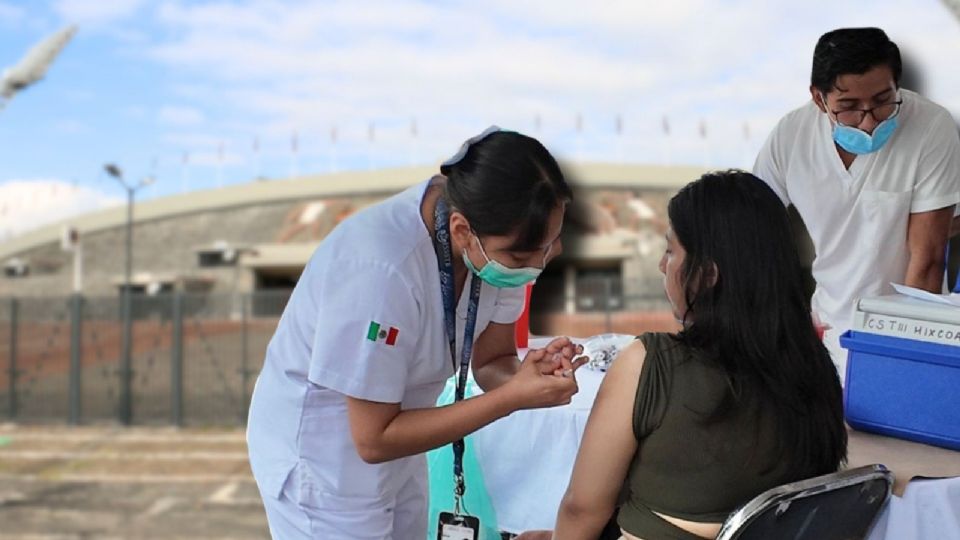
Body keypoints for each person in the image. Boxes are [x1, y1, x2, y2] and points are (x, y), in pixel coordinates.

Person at [246, 126, 589, 539]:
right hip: (326, 460)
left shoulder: (494, 245)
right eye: (522, 255)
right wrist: (512, 398)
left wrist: (529, 377)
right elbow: (372, 440)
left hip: (404, 436)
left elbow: (491, 362)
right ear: (462, 231)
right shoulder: (380, 269)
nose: (541, 262)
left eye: (553, 243)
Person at [517, 171, 848, 540]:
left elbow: (582, 509)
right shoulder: (817, 369)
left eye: (671, 250)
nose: (662, 265)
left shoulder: (653, 363)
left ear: (706, 275)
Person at [753, 27, 960, 380]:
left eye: (883, 101)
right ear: (819, 100)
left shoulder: (931, 127)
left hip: (906, 332)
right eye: (848, 107)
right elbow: (748, 221)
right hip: (826, 327)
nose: (868, 121)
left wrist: (897, 364)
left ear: (897, 84)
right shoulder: (791, 136)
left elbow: (926, 261)